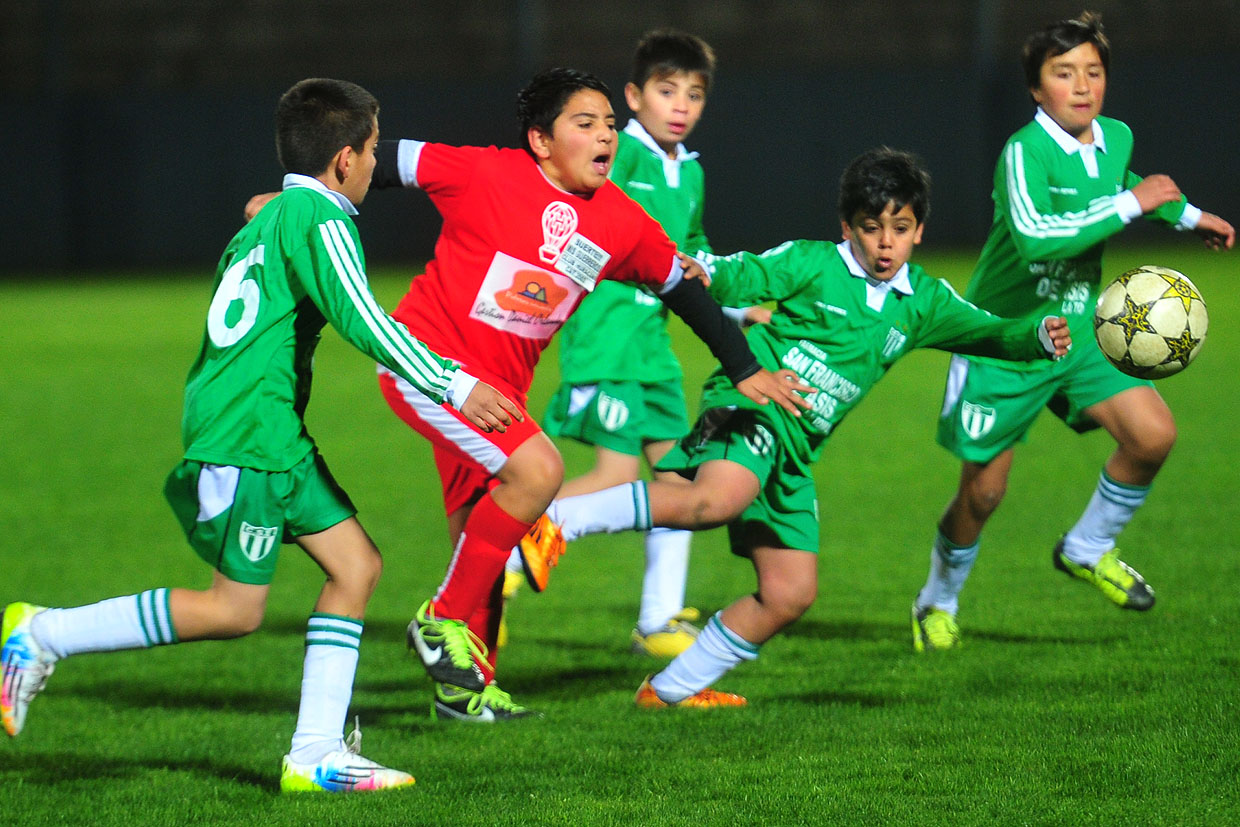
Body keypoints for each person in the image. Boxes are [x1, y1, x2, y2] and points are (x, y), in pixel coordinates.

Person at [0, 78, 521, 792]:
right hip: (251, 435)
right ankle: (41, 632)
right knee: (234, 609)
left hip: (265, 430)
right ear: (344, 160)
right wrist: (459, 385)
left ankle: (316, 755)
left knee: (356, 567)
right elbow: (366, 320)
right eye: (372, 150)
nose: (377, 166)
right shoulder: (320, 219)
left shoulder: (275, 215)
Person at [531, 147, 1072, 707]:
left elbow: (984, 331)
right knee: (716, 500)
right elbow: (750, 271)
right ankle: (559, 520)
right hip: (754, 404)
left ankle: (668, 692)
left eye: (900, 228)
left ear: (919, 231)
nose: (885, 243)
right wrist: (708, 270)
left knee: (789, 593)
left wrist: (1034, 337)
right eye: (871, 228)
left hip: (795, 448)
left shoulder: (922, 302)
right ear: (847, 228)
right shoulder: (816, 263)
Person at [365, 67, 809, 721]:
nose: (605, 135)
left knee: (482, 531)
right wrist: (303, 200)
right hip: (425, 363)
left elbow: (681, 287)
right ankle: (442, 619)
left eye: (608, 123)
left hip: (498, 392)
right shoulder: (486, 172)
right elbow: (378, 161)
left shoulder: (621, 221)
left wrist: (741, 365)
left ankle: (464, 691)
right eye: (585, 123)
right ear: (541, 141)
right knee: (537, 470)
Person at [911, 11, 1234, 653]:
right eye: (1064, 74)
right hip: (1007, 339)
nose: (1082, 85)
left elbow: (1125, 185)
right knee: (984, 493)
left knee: (1152, 436)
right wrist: (1128, 207)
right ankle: (936, 599)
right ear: (1037, 89)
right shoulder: (1022, 152)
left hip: (1082, 326)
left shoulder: (1113, 136)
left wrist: (1189, 216)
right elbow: (1035, 237)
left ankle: (1087, 547)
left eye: (1093, 71)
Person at [504, 29, 768, 658]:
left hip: (652, 348)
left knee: (679, 473)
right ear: (634, 96)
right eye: (666, 89)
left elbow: (690, 259)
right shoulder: (618, 155)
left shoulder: (690, 174)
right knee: (619, 471)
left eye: (694, 94)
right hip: (608, 337)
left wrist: (734, 306)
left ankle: (657, 620)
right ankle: (505, 551)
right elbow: (551, 193)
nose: (681, 104)